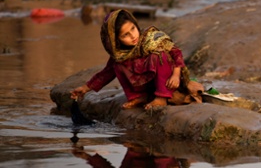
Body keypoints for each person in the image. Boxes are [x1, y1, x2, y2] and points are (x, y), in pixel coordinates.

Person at [71, 9, 202, 110]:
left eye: (133, 29)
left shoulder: (151, 38)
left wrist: (176, 74)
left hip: (168, 83)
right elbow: (106, 73)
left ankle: (161, 97)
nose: (133, 35)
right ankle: (139, 97)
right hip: (146, 85)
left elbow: (176, 53)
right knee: (118, 65)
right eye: (125, 35)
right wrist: (85, 88)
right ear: (116, 40)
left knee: (158, 55)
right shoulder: (120, 53)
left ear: (135, 23)